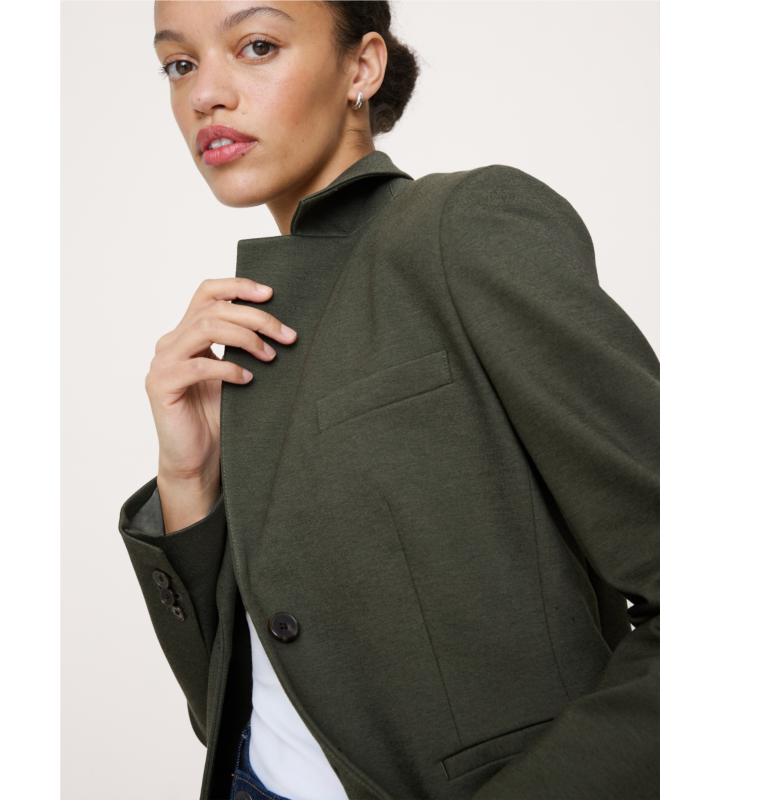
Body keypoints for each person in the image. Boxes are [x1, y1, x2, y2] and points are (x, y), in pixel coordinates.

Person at [119, 2, 660, 799]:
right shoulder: (253, 327)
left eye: (257, 46)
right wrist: (188, 479)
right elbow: (225, 710)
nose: (205, 95)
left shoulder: (461, 227)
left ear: (362, 67)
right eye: (179, 64)